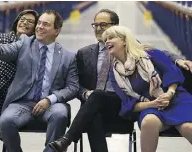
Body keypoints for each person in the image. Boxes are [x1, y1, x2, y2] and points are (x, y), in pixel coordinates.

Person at [49, 9, 192, 152]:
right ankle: (66, 140)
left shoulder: (137, 49)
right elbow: (76, 85)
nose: (98, 29)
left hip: (126, 101)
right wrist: (86, 94)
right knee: (94, 107)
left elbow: (162, 56)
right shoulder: (85, 54)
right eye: (95, 25)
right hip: (103, 103)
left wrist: (178, 59)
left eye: (103, 25)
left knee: (95, 101)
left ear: (117, 28)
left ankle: (66, 139)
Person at [0, 9, 79, 152]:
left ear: (56, 31)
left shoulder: (68, 57)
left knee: (59, 115)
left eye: (45, 24)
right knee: (6, 120)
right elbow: (1, 51)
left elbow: (73, 87)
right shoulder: (25, 42)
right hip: (22, 102)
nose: (39, 27)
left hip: (51, 103)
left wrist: (50, 99)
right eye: (39, 23)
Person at [103, 25, 192, 152]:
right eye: (106, 39)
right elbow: (129, 104)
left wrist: (169, 93)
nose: (107, 41)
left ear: (124, 40)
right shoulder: (114, 73)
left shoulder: (151, 54)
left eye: (111, 37)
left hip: (176, 99)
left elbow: (172, 73)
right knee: (149, 122)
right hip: (149, 106)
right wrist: (153, 103)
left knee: (187, 127)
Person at [0, 9, 39, 152]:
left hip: (10, 97)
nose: (24, 22)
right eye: (22, 19)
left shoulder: (34, 48)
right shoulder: (0, 38)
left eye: (30, 21)